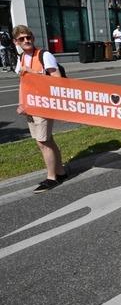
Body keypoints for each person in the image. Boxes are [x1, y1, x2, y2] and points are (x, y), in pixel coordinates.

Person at [13, 25, 67, 193]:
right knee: (47, 140)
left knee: (42, 141)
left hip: (44, 104)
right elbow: (23, 84)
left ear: (33, 38)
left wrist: (32, 72)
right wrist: (21, 103)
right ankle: (61, 172)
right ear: (16, 42)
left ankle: (51, 178)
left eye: (28, 37)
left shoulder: (44, 55)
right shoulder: (21, 57)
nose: (26, 40)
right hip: (30, 106)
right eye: (22, 39)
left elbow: (58, 80)